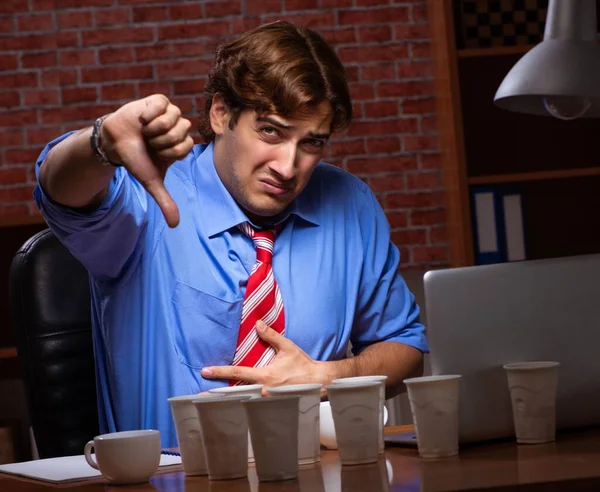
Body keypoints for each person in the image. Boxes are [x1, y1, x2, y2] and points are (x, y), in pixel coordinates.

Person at [34, 21, 429, 447]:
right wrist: (99, 144)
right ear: (221, 114)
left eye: (311, 143)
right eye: (271, 131)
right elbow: (61, 190)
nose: (287, 165)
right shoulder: (152, 195)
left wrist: (329, 376)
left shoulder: (350, 204)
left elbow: (405, 346)